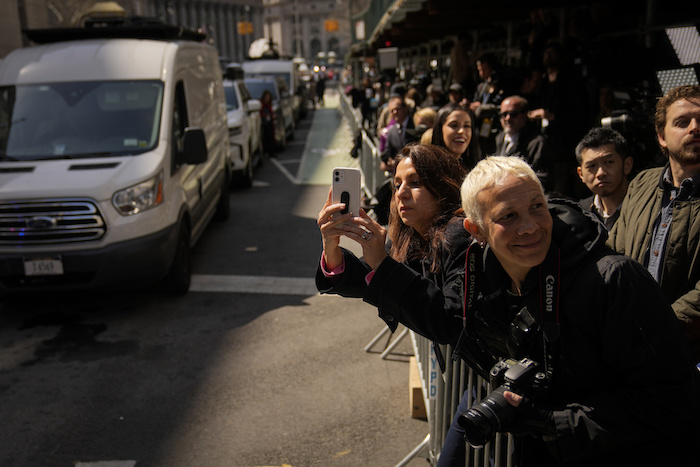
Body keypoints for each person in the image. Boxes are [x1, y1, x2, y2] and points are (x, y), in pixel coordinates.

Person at [441, 156, 697, 466]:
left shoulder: (614, 280)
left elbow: (670, 399)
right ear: (476, 229)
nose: (530, 227)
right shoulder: (484, 285)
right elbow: (444, 321)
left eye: (537, 207)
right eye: (508, 216)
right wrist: (380, 276)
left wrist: (552, 423)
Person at [316, 143, 469, 354]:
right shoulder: (411, 237)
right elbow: (361, 279)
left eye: (415, 183)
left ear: (442, 186)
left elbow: (448, 323)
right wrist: (330, 244)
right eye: (397, 185)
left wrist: (381, 261)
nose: (401, 193)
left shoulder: (459, 233)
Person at [608, 84, 700, 362]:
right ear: (661, 137)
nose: (695, 128)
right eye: (682, 122)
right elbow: (614, 254)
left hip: (687, 357)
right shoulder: (642, 183)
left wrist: (655, 329)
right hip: (630, 351)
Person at [575, 127, 633, 230]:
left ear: (627, 165)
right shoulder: (580, 215)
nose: (600, 173)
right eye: (592, 166)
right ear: (581, 174)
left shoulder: (643, 207)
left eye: (609, 162)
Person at [495, 95, 549, 187]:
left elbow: (543, 178)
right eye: (504, 114)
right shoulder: (499, 138)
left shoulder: (537, 142)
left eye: (513, 114)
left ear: (525, 115)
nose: (508, 118)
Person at [431, 102, 482, 170]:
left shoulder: (477, 172)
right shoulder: (427, 170)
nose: (461, 131)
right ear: (440, 129)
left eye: (466, 126)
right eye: (454, 125)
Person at [380, 96, 417, 162]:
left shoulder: (415, 124)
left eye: (398, 109)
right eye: (392, 111)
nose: (395, 112)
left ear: (405, 108)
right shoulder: (391, 132)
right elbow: (388, 153)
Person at [259, 89, 276, 158]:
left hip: (269, 123)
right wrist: (265, 115)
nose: (267, 98)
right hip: (264, 123)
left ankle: (271, 152)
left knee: (271, 137)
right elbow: (260, 113)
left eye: (268, 97)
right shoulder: (262, 105)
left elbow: (271, 113)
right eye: (266, 96)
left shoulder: (269, 105)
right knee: (265, 138)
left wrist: (272, 116)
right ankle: (266, 152)